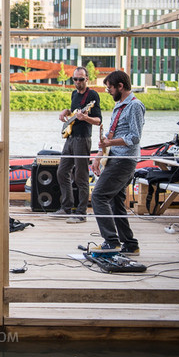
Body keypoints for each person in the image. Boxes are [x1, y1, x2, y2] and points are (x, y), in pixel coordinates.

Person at [91, 70, 145, 255]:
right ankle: (130, 244)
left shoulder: (135, 106)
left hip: (124, 160)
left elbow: (134, 137)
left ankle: (111, 241)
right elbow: (110, 135)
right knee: (116, 202)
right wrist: (99, 155)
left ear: (120, 86)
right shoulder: (119, 105)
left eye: (110, 89)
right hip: (113, 157)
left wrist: (110, 143)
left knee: (98, 196)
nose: (109, 92)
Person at [53, 67, 101, 223]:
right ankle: (66, 207)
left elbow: (98, 120)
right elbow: (73, 110)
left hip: (83, 138)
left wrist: (85, 118)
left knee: (81, 176)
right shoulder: (74, 94)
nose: (78, 82)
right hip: (71, 138)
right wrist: (66, 111)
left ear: (87, 79)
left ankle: (81, 213)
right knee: (62, 172)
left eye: (81, 79)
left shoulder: (92, 95)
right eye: (75, 79)